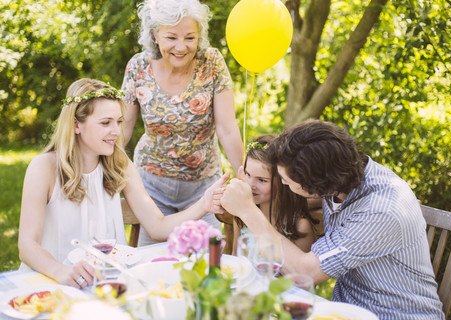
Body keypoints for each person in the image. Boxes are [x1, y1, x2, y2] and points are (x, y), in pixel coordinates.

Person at [219, 120, 445, 319]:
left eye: (286, 182)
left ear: (317, 185)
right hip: (343, 309)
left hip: (392, 314)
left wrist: (248, 211)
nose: (284, 184)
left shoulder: (380, 211)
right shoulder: (339, 177)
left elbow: (306, 272)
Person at [18, 78, 229, 289]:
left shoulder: (119, 164)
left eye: (118, 122)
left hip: (104, 283)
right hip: (50, 282)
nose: (116, 131)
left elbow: (157, 226)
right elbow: (27, 246)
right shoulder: (44, 168)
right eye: (105, 123)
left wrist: (204, 204)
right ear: (76, 125)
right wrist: (61, 272)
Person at [121, 0, 243, 246]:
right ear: (155, 35)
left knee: (209, 265)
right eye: (171, 38)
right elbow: (121, 130)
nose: (181, 47)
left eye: (190, 37)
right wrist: (103, 172)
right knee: (151, 268)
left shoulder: (212, 62)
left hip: (204, 189)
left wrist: (246, 176)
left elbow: (227, 130)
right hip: (150, 188)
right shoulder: (138, 66)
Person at [233, 135, 317, 253]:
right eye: (247, 174)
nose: (250, 185)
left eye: (262, 180)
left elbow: (302, 270)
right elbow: (235, 259)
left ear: (284, 182)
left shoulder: (298, 226)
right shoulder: (242, 215)